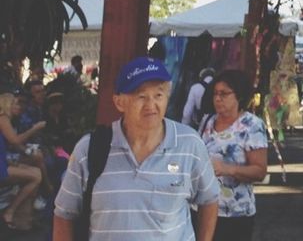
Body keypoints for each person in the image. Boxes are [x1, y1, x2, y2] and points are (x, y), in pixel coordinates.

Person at [52, 57, 219, 241]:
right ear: (119, 102)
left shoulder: (189, 144)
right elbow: (64, 214)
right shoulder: (90, 149)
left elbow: (209, 200)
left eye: (159, 95)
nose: (151, 105)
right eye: (141, 96)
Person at [198, 69, 268, 241]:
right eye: (215, 93)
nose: (218, 99)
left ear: (239, 96)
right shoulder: (207, 121)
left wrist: (227, 169)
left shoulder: (251, 125)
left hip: (235, 214)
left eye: (224, 94)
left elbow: (260, 171)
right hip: (203, 209)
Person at [0, 91, 43, 232]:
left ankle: (24, 219)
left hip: (4, 164)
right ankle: (11, 211)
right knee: (36, 177)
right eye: (15, 103)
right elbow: (15, 140)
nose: (18, 106)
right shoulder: (3, 118)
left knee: (36, 171)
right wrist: (34, 128)